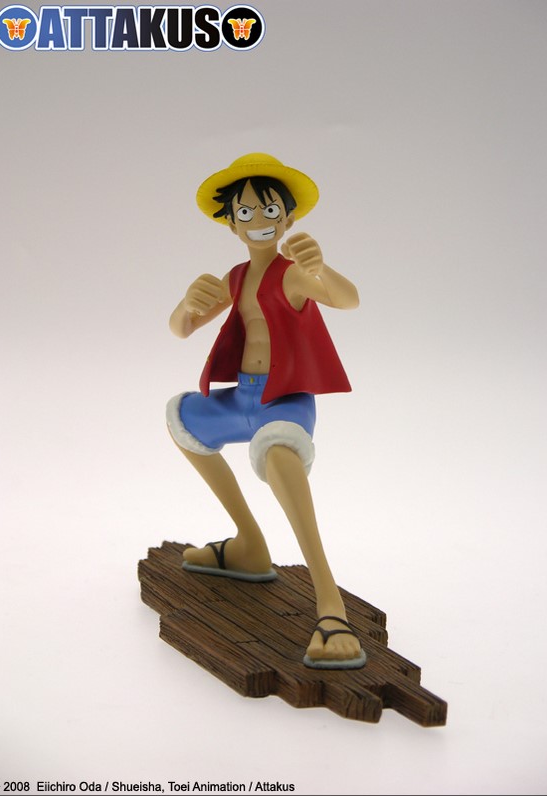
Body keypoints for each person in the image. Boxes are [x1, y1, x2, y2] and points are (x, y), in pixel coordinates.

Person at [166, 153, 365, 668]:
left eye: (270, 210)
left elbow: (348, 300)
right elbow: (182, 329)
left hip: (285, 399)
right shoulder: (235, 278)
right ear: (231, 224)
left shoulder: (293, 274)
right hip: (243, 398)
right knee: (184, 420)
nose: (259, 220)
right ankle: (249, 545)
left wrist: (321, 269)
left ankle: (330, 605)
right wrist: (187, 304)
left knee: (278, 456)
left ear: (288, 219)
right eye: (246, 212)